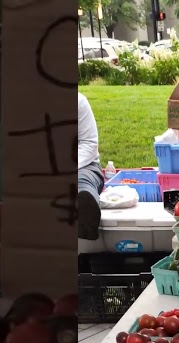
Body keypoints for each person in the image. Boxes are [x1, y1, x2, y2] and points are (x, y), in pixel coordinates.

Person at [78, 91, 102, 242]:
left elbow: (89, 144)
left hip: (84, 165)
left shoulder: (78, 102)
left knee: (83, 183)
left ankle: (86, 219)